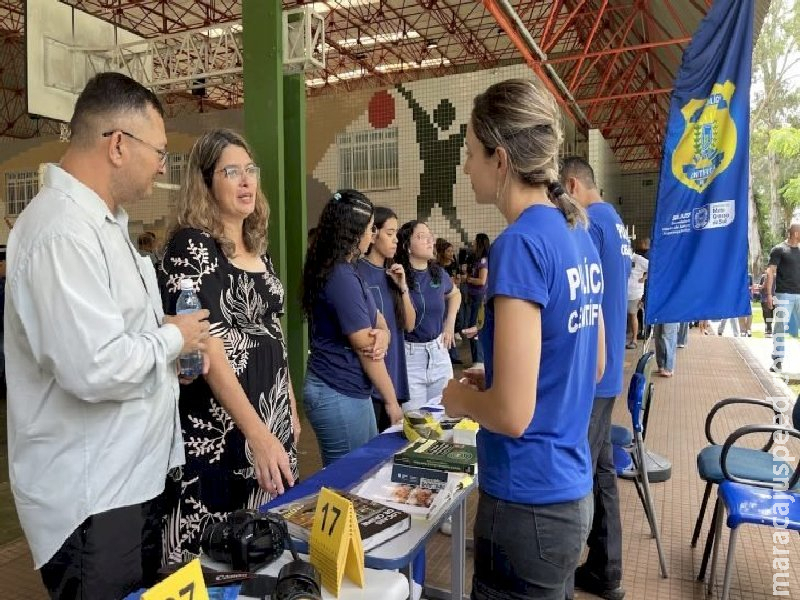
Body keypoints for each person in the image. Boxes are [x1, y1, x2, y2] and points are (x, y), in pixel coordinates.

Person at [5, 72, 210, 599]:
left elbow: (120, 338)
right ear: (118, 144)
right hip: (93, 500)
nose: (162, 166)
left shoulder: (105, 225)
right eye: (159, 152)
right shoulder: (61, 233)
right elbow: (94, 367)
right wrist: (173, 341)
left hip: (129, 484)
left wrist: (166, 350)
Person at [442, 78, 604, 600]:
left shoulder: (519, 245)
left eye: (471, 153)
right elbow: (594, 363)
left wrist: (459, 399)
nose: (466, 167)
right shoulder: (577, 234)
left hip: (526, 500)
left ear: (501, 159)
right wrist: (501, 376)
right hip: (569, 493)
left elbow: (512, 415)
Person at [159, 129, 299, 562]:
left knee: (267, 550)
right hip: (221, 435)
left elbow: (274, 335)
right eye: (231, 172)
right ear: (205, 183)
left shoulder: (258, 249)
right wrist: (257, 434)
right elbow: (207, 345)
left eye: (250, 170)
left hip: (270, 425)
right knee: (219, 559)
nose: (246, 181)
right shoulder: (191, 246)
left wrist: (290, 406)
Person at [561, 156, 630, 600]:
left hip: (593, 371)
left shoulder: (592, 225)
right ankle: (607, 568)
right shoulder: (615, 222)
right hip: (608, 372)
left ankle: (560, 575)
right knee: (601, 471)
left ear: (572, 185)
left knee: (577, 476)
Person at [302, 190, 403, 466]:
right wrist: (392, 402)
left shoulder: (347, 268)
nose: (372, 235)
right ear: (354, 232)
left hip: (348, 389)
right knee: (350, 478)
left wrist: (384, 333)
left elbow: (377, 317)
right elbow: (366, 347)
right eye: (371, 229)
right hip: (338, 389)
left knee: (362, 471)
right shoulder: (341, 276)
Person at [357, 207, 415, 431]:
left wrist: (403, 288)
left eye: (396, 234)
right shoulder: (357, 273)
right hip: (369, 381)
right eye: (389, 233)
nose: (396, 240)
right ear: (373, 234)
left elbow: (409, 324)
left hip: (394, 373)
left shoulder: (394, 273)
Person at [395, 220, 461, 411]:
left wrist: (450, 324)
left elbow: (455, 294)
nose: (430, 241)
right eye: (421, 236)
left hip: (438, 352)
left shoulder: (438, 273)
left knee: (444, 414)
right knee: (416, 421)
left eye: (430, 236)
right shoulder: (398, 276)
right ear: (407, 246)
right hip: (410, 356)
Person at [765, 223, 800, 372]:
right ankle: (778, 361)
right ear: (796, 234)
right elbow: (770, 272)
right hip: (784, 295)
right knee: (780, 328)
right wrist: (769, 294)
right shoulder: (779, 249)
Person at [436, 238, 464, 365]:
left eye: (452, 251)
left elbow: (458, 280)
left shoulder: (454, 264)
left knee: (454, 322)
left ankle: (452, 353)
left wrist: (456, 281)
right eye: (448, 251)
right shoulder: (437, 267)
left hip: (453, 296)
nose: (451, 253)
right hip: (442, 298)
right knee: (443, 325)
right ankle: (448, 353)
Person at [464, 233, 490, 367]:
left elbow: (482, 281)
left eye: (475, 242)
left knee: (474, 327)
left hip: (479, 297)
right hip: (473, 296)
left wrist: (468, 279)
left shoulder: (484, 261)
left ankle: (479, 360)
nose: (473, 244)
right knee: (471, 326)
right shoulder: (476, 259)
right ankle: (477, 359)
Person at [626, 239, 649, 349]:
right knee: (624, 317)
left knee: (632, 315)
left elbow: (653, 268)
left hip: (635, 293)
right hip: (622, 293)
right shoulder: (622, 259)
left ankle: (634, 340)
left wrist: (644, 278)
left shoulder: (639, 259)